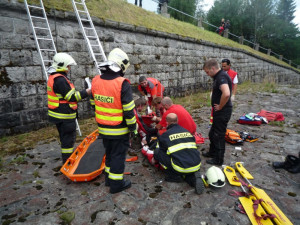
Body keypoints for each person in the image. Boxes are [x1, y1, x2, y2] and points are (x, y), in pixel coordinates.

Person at [90, 48, 137, 194]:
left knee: (109, 153)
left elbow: (93, 103)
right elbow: (129, 111)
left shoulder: (96, 80)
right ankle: (116, 184)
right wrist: (133, 128)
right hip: (119, 129)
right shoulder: (122, 83)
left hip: (103, 128)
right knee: (118, 155)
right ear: (121, 66)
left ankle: (109, 179)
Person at [47, 53, 91, 164]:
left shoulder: (53, 77)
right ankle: (68, 164)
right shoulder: (60, 80)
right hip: (65, 117)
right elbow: (71, 97)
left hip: (58, 115)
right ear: (63, 66)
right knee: (68, 141)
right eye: (68, 66)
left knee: (64, 139)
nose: (69, 68)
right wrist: (87, 92)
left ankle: (66, 160)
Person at [154, 113, 203, 194]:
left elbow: (160, 150)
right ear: (177, 121)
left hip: (179, 167)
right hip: (196, 163)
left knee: (157, 152)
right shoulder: (187, 132)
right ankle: (193, 179)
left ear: (167, 123)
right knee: (183, 158)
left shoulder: (165, 135)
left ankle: (175, 176)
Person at [202, 59, 232, 166]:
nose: (207, 74)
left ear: (213, 68)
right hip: (218, 111)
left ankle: (219, 159)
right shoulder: (218, 76)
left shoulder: (221, 77)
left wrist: (220, 106)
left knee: (219, 134)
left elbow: (227, 93)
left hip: (223, 111)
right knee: (213, 133)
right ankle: (212, 152)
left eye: (207, 72)